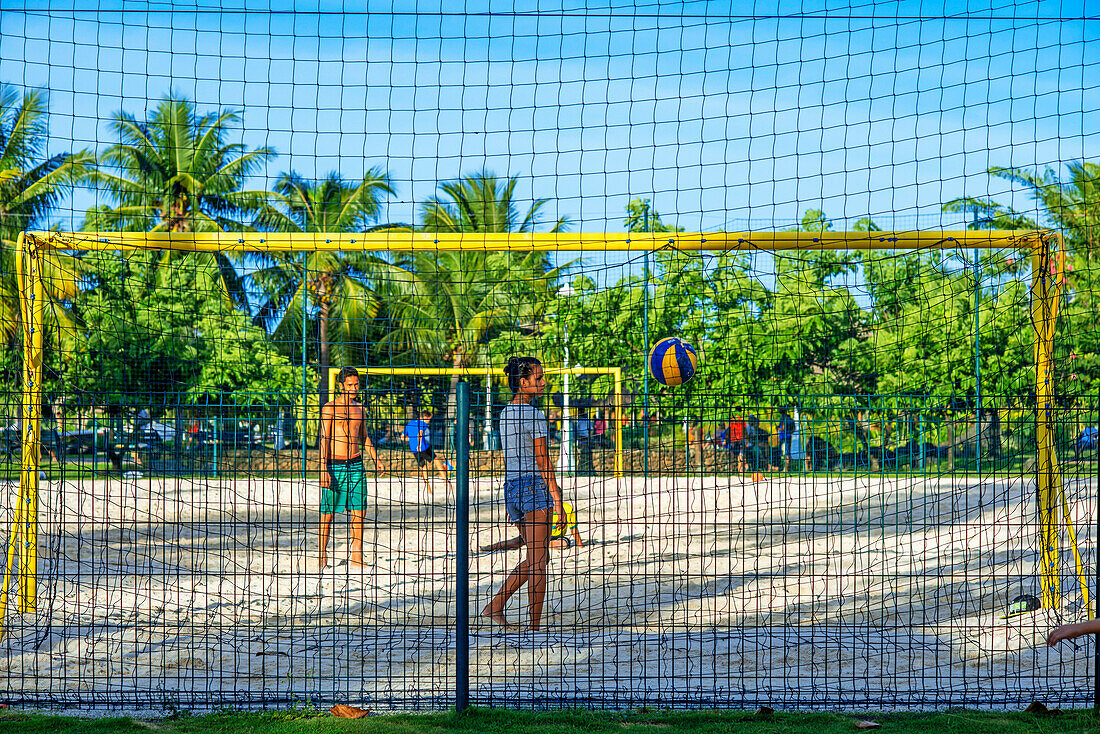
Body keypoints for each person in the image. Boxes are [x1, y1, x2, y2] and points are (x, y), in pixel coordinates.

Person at [482, 356, 567, 632]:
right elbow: (543, 460)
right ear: (523, 382)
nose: (544, 383)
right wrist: (556, 498)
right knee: (540, 561)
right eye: (538, 379)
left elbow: (512, 457)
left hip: (513, 487)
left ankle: (495, 607)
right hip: (532, 487)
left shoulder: (505, 412)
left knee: (535, 556)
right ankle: (534, 628)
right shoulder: (534, 414)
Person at [318, 366, 388, 571]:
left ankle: (356, 555)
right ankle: (322, 554)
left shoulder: (360, 409)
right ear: (341, 386)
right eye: (350, 385)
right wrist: (323, 468)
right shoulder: (330, 408)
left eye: (357, 384)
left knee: (359, 512)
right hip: (334, 465)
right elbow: (324, 439)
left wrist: (376, 459)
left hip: (356, 465)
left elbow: (364, 437)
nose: (354, 388)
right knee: (328, 513)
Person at [402, 410, 453, 495]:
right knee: (436, 460)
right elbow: (420, 434)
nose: (429, 421)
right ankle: (446, 482)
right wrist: (419, 444)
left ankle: (428, 489)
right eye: (429, 419)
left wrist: (412, 439)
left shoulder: (410, 423)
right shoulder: (423, 424)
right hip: (422, 447)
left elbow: (402, 437)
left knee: (423, 466)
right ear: (425, 417)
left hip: (413, 449)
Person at [775, 407, 796, 472]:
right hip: (788, 436)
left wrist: (778, 428)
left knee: (785, 453)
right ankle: (788, 467)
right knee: (787, 452)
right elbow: (793, 429)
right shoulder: (790, 418)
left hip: (783, 437)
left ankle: (785, 469)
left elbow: (783, 428)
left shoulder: (783, 418)